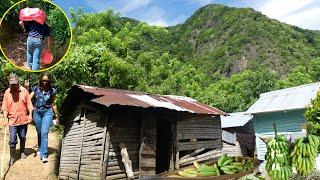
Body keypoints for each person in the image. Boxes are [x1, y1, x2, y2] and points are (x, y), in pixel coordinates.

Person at [1, 73, 33, 166]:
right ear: (9, 83)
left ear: (18, 82)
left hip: (23, 119)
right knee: (12, 140)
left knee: (22, 137)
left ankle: (22, 152)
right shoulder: (7, 92)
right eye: (11, 84)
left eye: (14, 84)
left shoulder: (24, 91)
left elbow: (29, 104)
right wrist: (5, 119)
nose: (13, 86)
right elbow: (5, 107)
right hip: (12, 120)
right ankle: (12, 157)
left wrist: (30, 114)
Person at [30, 73, 58, 163]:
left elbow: (54, 103)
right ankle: (40, 147)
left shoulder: (52, 90)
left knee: (44, 132)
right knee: (39, 132)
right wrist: (31, 108)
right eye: (43, 80)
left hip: (47, 112)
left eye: (46, 80)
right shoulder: (36, 88)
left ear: (49, 81)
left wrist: (56, 115)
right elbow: (28, 98)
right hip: (37, 112)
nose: (45, 82)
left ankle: (43, 154)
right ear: (41, 80)